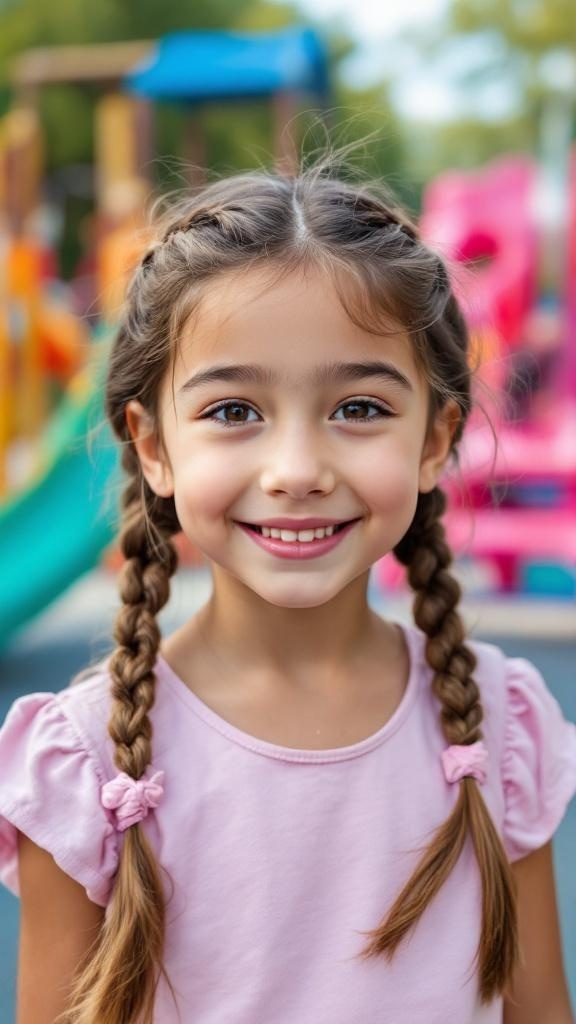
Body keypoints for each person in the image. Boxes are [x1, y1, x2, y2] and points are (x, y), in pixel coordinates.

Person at [1, 157, 576, 1024]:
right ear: (153, 447)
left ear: (436, 438)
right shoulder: (84, 770)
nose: (297, 471)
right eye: (234, 411)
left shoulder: (502, 727)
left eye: (359, 409)